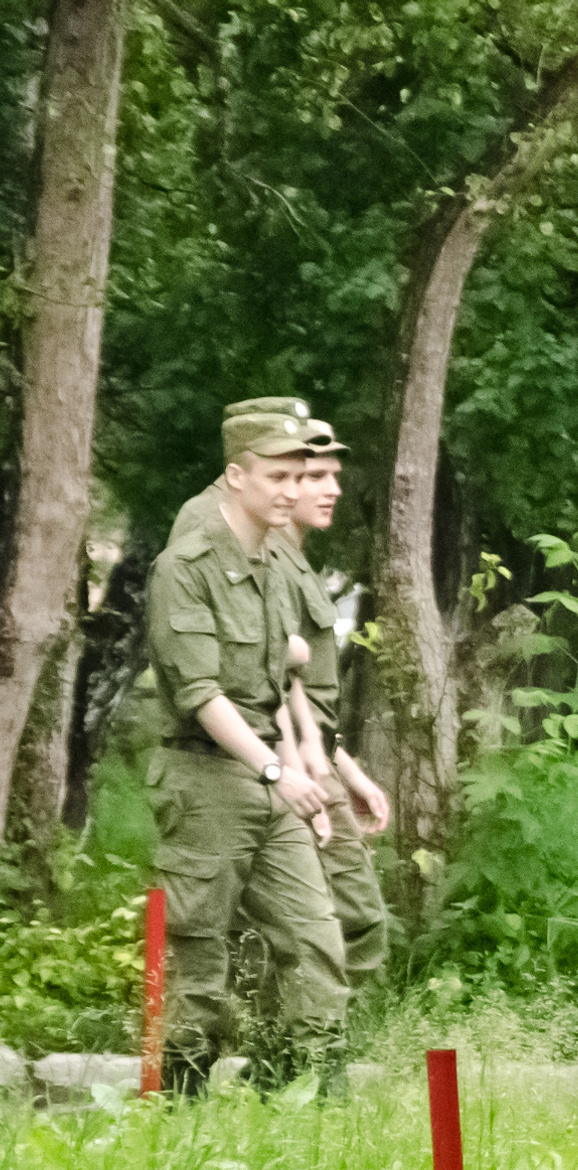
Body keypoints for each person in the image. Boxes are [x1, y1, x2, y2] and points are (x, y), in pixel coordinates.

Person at [146, 402, 348, 1094]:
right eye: (276, 476)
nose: (291, 491)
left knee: (316, 940)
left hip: (267, 777)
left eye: (300, 476)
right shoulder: (188, 565)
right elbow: (200, 694)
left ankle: (317, 1106)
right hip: (206, 777)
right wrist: (277, 769)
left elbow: (281, 686)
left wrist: (303, 769)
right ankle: (178, 1115)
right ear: (236, 476)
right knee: (198, 959)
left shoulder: (270, 564)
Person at [266, 413, 392, 1000]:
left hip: (315, 763)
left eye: (332, 475)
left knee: (347, 919)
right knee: (344, 918)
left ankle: (311, 1052)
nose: (332, 489)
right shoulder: (266, 565)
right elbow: (270, 691)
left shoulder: (297, 563)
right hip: (284, 767)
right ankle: (312, 1055)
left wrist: (349, 771)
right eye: (316, 475)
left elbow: (309, 700)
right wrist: (306, 777)